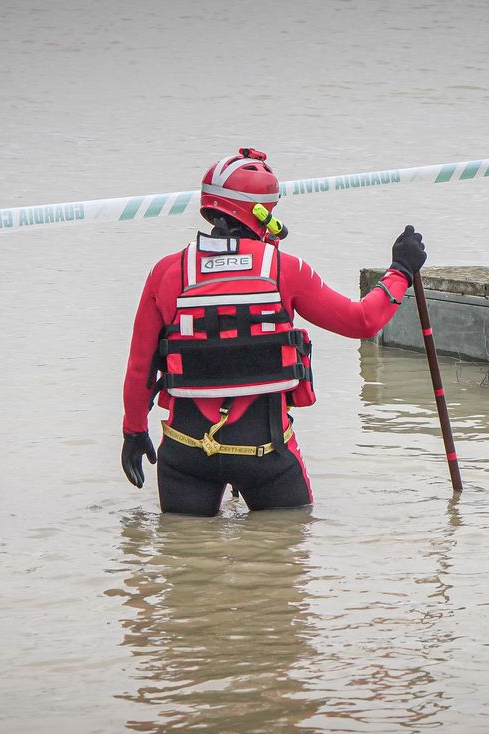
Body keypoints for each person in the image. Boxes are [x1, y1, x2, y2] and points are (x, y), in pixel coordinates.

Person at [120, 147, 427, 516]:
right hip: (266, 456)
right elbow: (362, 321)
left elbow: (140, 369)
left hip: (185, 454)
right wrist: (401, 270)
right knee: (282, 561)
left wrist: (134, 432)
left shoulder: (167, 272)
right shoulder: (284, 269)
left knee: (186, 567)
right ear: (260, 211)